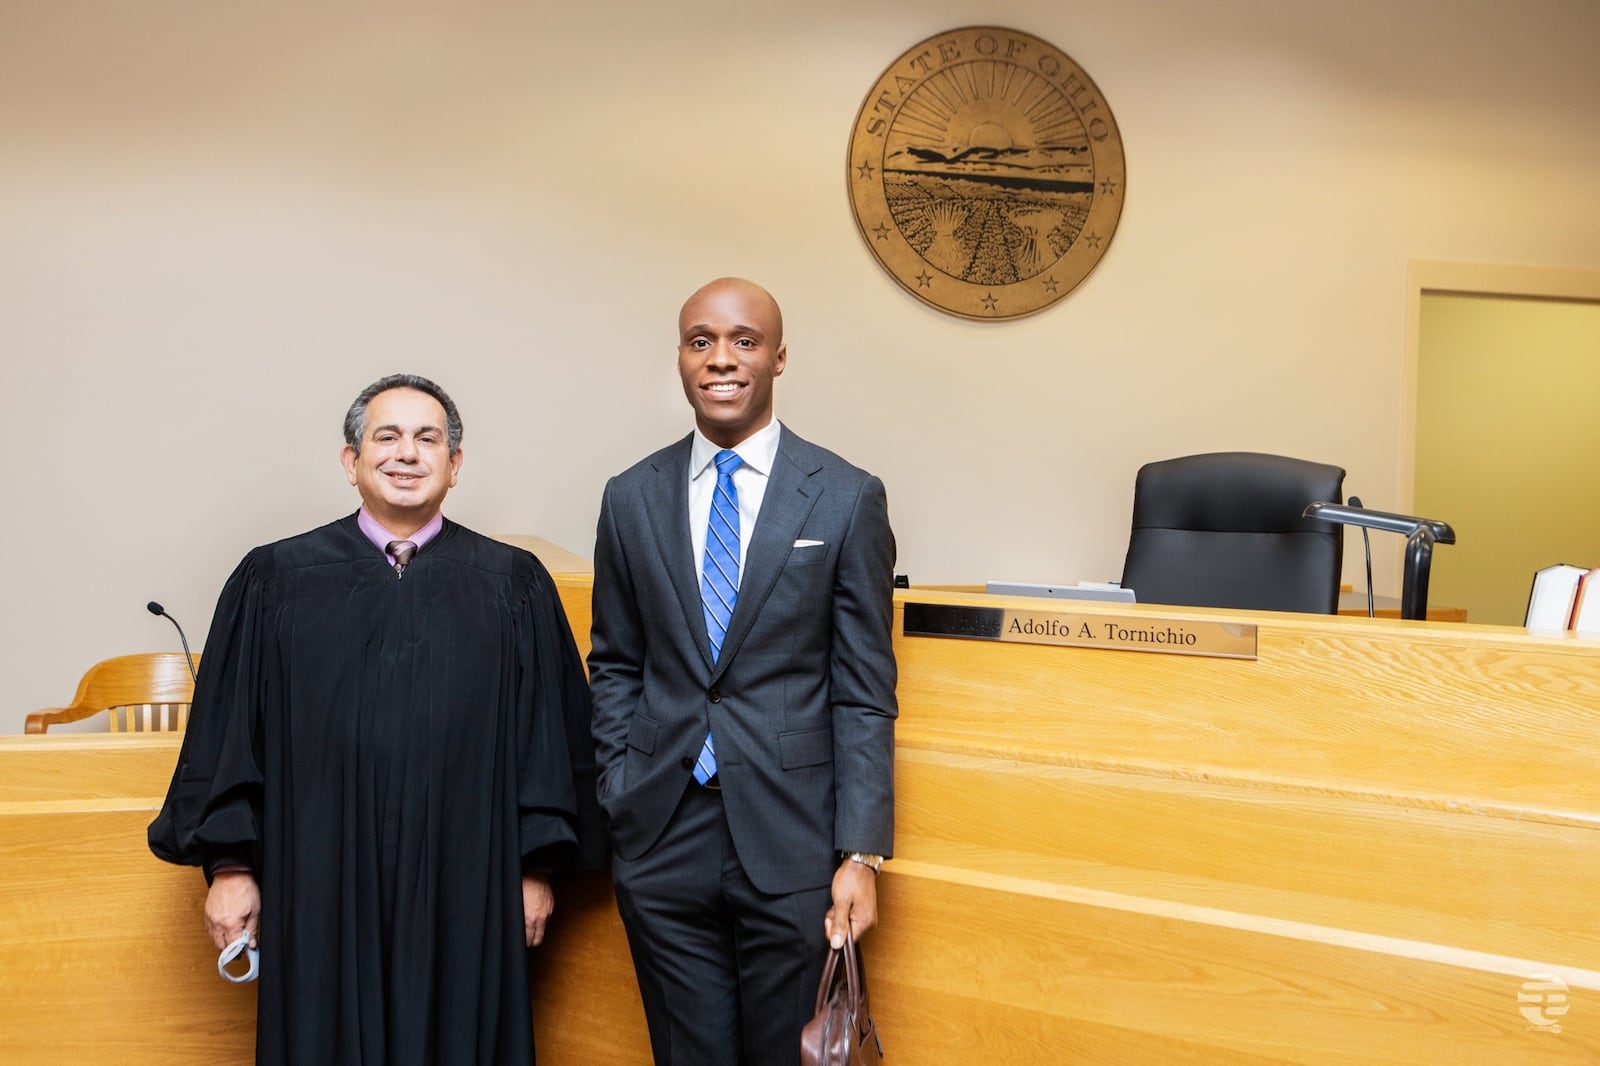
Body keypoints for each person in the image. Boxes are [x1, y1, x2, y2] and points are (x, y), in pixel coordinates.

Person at [149, 373, 602, 1066]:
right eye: (385, 437)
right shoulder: (274, 581)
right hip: (317, 880)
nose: (406, 453)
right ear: (350, 460)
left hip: (470, 885)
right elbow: (230, 735)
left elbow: (550, 741)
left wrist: (534, 870)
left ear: (454, 464)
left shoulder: (514, 585)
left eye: (428, 439)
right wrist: (232, 866)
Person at [588, 278, 898, 1064]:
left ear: (778, 357)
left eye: (744, 341)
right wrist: (619, 789)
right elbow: (617, 662)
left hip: (793, 842)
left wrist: (859, 852)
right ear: (682, 359)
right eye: (701, 341)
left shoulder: (846, 498)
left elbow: (864, 691)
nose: (721, 359)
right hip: (661, 833)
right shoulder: (631, 498)